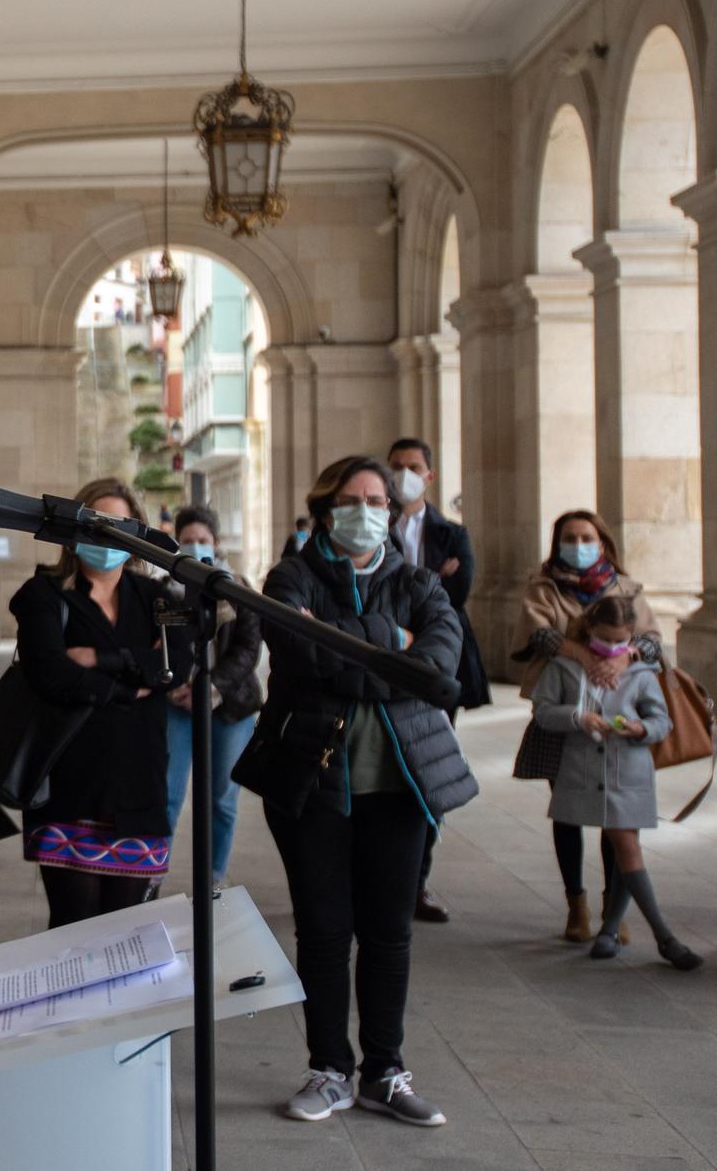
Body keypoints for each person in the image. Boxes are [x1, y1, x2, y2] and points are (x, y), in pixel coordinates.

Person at [252, 455, 475, 1129]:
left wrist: (360, 653)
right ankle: (328, 1067)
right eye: (353, 498)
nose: (368, 508)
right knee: (323, 929)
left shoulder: (416, 582)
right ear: (325, 508)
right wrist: (390, 647)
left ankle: (384, 1068)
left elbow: (439, 666)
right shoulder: (290, 576)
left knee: (388, 931)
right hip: (313, 779)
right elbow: (302, 653)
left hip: (399, 784)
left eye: (378, 498)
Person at [10, 478, 188, 929]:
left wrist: (98, 659)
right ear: (75, 529)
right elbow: (51, 672)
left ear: (137, 535)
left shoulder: (161, 597)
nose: (107, 537)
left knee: (131, 933)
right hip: (70, 786)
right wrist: (134, 682)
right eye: (98, 523)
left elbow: (179, 663)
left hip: (140, 789)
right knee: (75, 928)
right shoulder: (43, 593)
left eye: (119, 525)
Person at [512, 508, 663, 943]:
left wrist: (622, 658)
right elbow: (538, 636)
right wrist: (587, 657)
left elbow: (650, 641)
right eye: (570, 537)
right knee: (568, 809)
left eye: (587, 537)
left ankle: (612, 904)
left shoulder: (626, 587)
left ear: (602, 541)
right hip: (565, 707)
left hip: (616, 711)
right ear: (558, 541)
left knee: (615, 814)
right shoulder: (541, 587)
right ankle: (575, 902)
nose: (579, 545)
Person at [530, 597, 701, 970]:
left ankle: (661, 937)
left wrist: (640, 729)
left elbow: (661, 721)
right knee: (623, 847)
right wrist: (579, 718)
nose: (612, 648)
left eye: (621, 641)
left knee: (626, 845)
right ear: (589, 631)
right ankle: (611, 929)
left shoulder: (641, 672)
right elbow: (543, 711)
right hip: (583, 770)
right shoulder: (563, 667)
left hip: (629, 767)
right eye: (605, 639)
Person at [385, 436, 490, 926]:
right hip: (384, 665)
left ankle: (417, 881)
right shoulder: (374, 527)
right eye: (396, 466)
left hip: (437, 668)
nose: (404, 474)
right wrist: (432, 578)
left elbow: (458, 593)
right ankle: (383, 877)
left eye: (413, 467)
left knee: (428, 770)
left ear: (429, 475)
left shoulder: (453, 534)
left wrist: (417, 586)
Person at [160, 505, 263, 886]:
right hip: (176, 706)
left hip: (230, 706)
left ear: (216, 545)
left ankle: (214, 878)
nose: (196, 547)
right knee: (168, 796)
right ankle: (151, 877)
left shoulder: (239, 589)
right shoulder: (163, 593)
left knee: (222, 797)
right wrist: (175, 687)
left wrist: (211, 686)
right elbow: (155, 647)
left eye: (203, 541)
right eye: (188, 541)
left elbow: (248, 650)